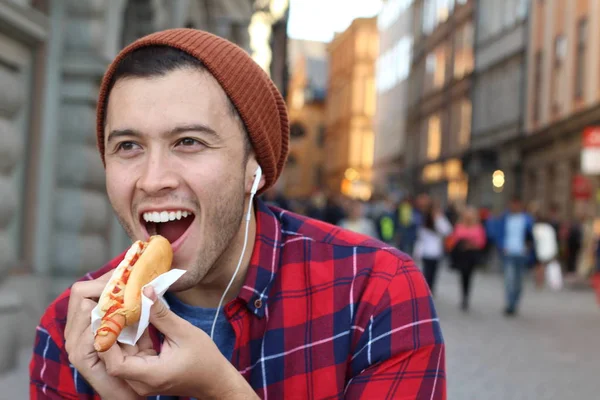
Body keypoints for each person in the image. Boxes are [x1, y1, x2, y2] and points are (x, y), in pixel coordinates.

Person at [29, 29, 446, 399]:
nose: (153, 180)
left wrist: (222, 390)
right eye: (128, 147)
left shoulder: (375, 291)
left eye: (188, 141)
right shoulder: (71, 331)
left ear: (255, 168)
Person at [495, 197, 534, 316]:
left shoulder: (527, 219)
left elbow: (531, 235)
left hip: (522, 254)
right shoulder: (505, 218)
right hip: (509, 253)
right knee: (509, 279)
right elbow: (498, 233)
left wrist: (529, 247)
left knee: (519, 282)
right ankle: (510, 304)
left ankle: (515, 302)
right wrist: (502, 246)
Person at [449, 207, 486, 311]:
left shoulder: (478, 227)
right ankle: (463, 295)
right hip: (462, 255)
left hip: (472, 255)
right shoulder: (459, 226)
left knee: (469, 276)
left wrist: (470, 244)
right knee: (462, 275)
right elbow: (454, 239)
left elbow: (481, 243)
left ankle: (466, 296)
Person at [414, 202, 453, 295]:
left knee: (433, 273)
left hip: (436, 252)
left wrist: (439, 219)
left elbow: (448, 231)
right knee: (427, 272)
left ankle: (430, 289)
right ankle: (426, 289)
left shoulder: (439, 221)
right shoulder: (426, 223)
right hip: (427, 252)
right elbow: (421, 238)